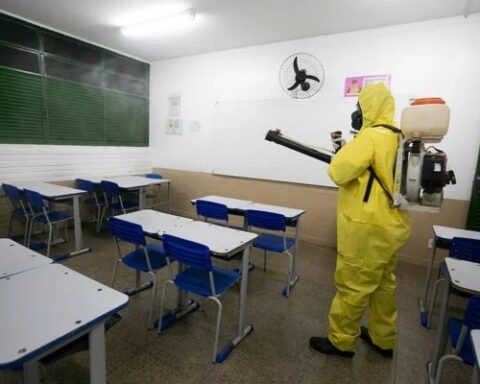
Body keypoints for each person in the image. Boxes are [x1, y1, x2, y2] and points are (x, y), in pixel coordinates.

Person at [310, 82, 411, 358]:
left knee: (352, 284)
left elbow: (339, 172)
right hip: (392, 225)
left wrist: (343, 153)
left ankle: (341, 341)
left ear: (370, 107)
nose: (356, 113)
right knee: (383, 284)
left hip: (366, 227)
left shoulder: (370, 137)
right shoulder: (399, 135)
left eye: (359, 106)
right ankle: (383, 338)